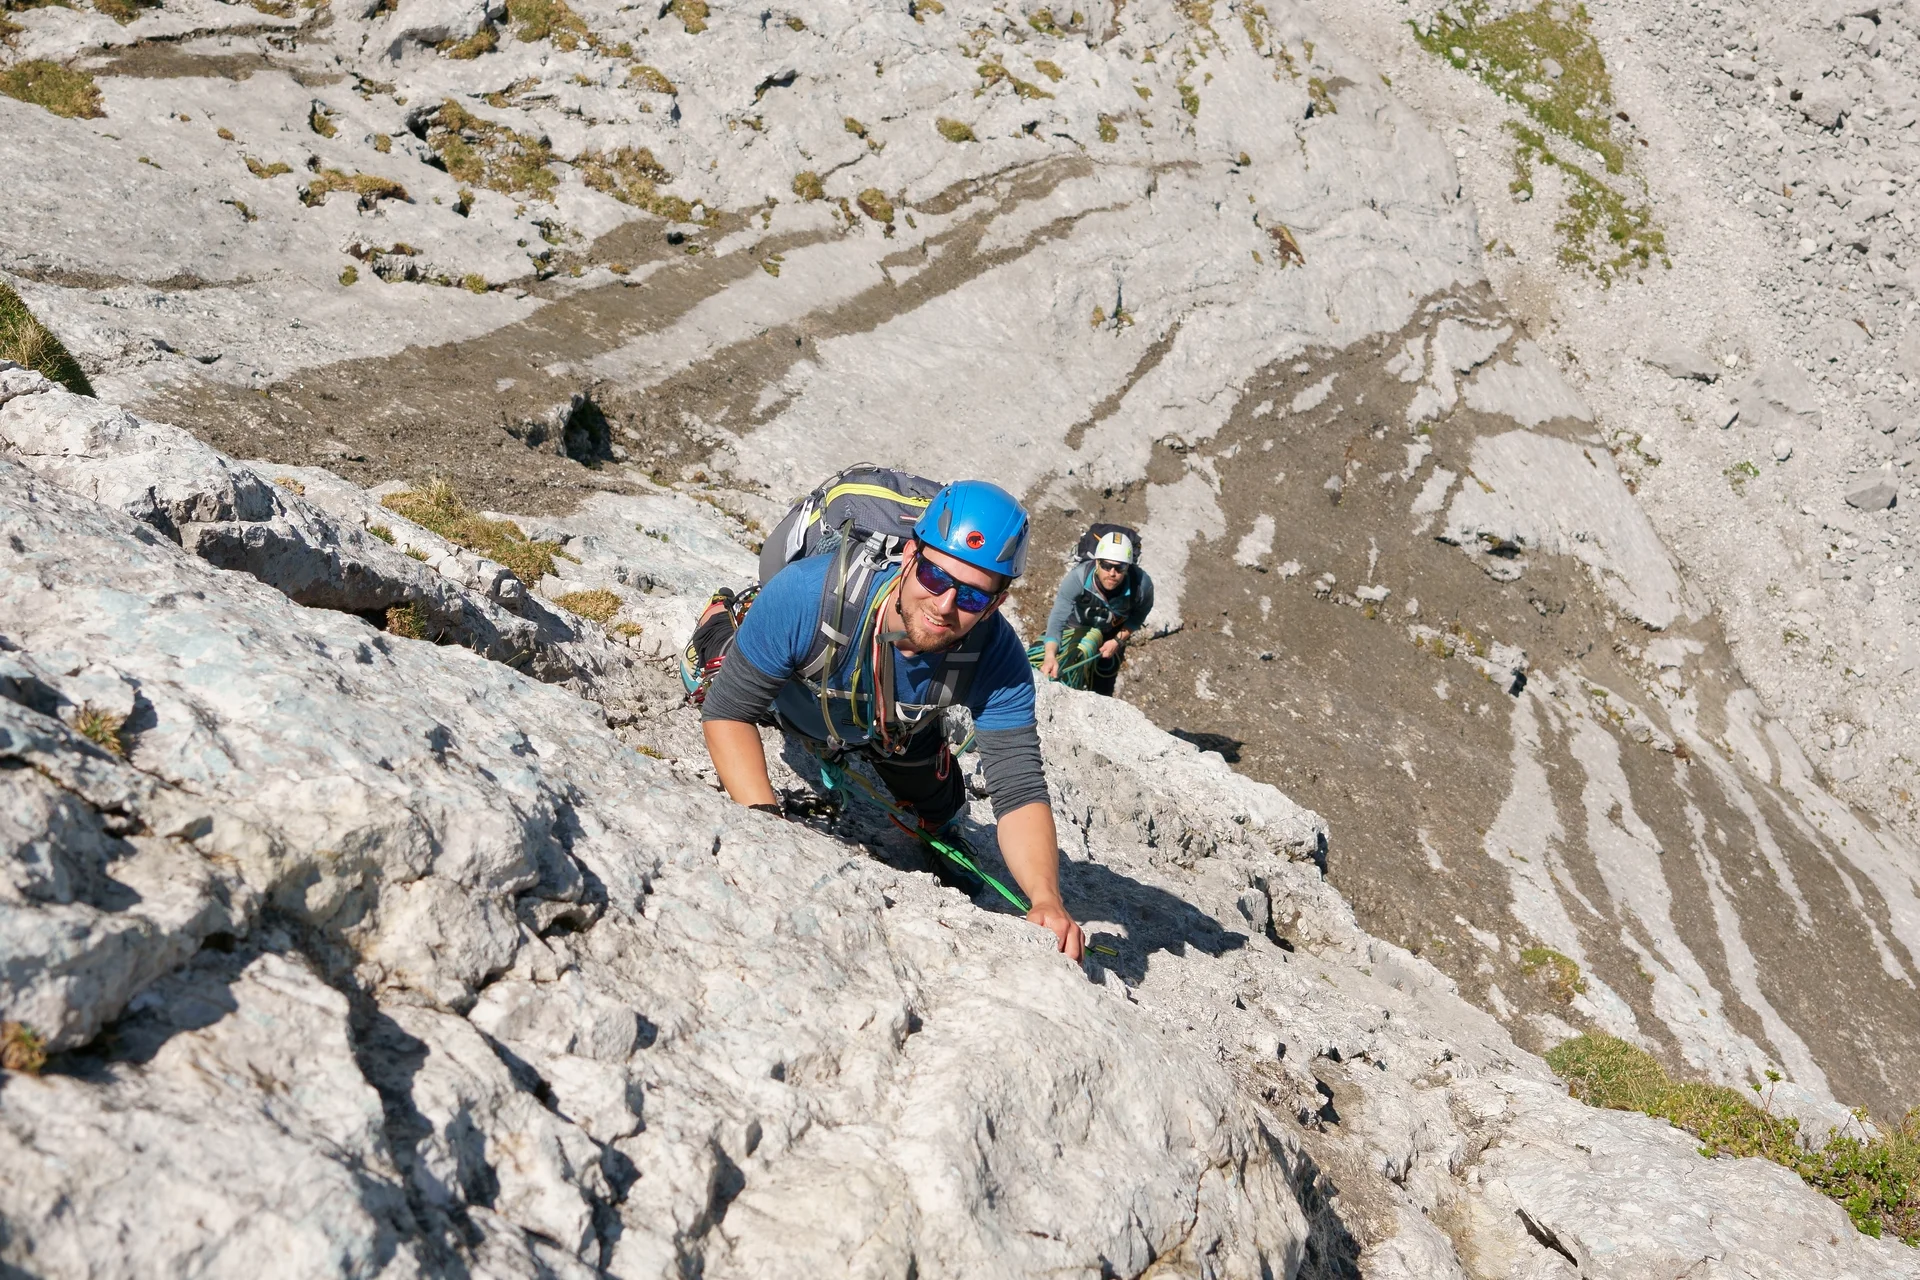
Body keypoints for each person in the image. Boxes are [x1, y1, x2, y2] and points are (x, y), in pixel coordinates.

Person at [696, 480, 1085, 961]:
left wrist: (1047, 899)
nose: (944, 606)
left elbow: (1019, 787)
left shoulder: (996, 657)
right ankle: (722, 618)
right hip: (800, 691)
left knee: (942, 803)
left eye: (970, 598)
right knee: (724, 669)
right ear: (908, 555)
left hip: (889, 722)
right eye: (937, 579)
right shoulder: (808, 595)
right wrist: (766, 825)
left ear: (996, 605)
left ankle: (938, 832)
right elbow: (729, 712)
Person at [1039, 529, 1154, 697]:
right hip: (1075, 627)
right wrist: (1050, 655)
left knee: (1103, 686)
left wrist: (1117, 640)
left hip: (1111, 636)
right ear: (1097, 563)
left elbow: (1138, 616)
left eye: (1120, 567)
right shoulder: (1078, 578)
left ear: (1128, 567)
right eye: (1106, 566)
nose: (1112, 573)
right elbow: (1057, 618)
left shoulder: (1142, 586)